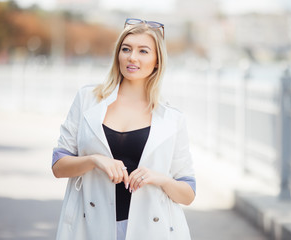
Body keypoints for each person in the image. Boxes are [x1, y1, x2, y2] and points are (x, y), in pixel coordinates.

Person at [52, 18, 196, 240]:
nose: (132, 57)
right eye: (126, 49)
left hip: (153, 230)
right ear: (117, 54)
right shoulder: (88, 99)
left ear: (157, 61)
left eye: (143, 51)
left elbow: (187, 194)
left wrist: (159, 178)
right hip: (91, 227)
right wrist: (94, 160)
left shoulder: (172, 119)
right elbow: (58, 167)